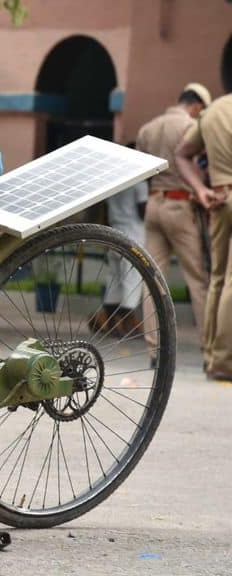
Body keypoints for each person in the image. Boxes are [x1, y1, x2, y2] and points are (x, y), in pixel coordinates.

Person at [136, 83, 212, 367]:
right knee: (198, 280)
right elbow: (202, 167)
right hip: (181, 205)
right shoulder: (191, 127)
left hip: (154, 204)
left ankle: (155, 352)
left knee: (152, 278)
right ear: (196, 106)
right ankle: (209, 351)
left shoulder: (148, 129)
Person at [174, 93, 232, 381]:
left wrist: (200, 189)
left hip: (220, 197)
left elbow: (182, 154)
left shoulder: (213, 111)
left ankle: (211, 356)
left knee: (218, 279)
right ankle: (224, 361)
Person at [89, 150, 149, 336]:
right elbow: (142, 211)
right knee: (132, 279)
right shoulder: (140, 182)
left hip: (115, 232)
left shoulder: (114, 183)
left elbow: (106, 211)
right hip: (133, 234)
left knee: (115, 278)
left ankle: (109, 320)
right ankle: (127, 322)